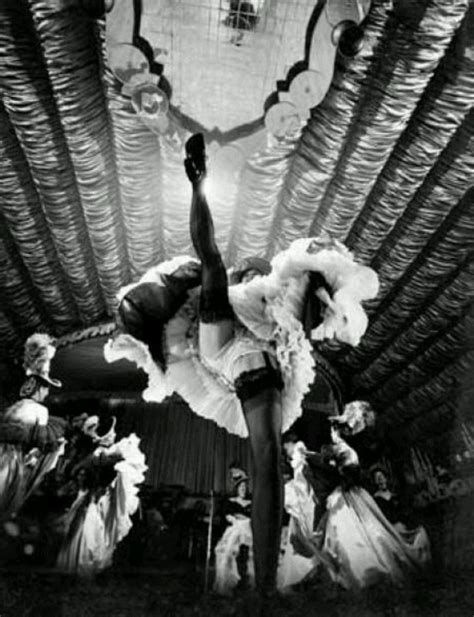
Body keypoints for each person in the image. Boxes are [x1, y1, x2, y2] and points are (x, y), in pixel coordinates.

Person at [105, 132, 379, 598]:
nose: (251, 272)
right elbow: (215, 261)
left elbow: (305, 308)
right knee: (210, 263)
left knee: (269, 461)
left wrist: (321, 289)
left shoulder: (277, 304)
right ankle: (198, 180)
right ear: (242, 277)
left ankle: (266, 586)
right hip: (224, 342)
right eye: (246, 271)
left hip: (263, 367)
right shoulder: (232, 291)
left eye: (256, 269)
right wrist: (200, 189)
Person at [316, 422, 431, 590]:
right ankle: (354, 570)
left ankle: (370, 571)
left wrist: (341, 471)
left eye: (337, 432)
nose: (335, 434)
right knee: (343, 533)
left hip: (352, 493)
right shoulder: (336, 451)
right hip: (344, 494)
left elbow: (351, 469)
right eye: (334, 431)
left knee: (371, 532)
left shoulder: (346, 451)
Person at [56, 422, 147, 577]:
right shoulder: (100, 456)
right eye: (110, 433)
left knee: (92, 532)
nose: (113, 435)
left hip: (98, 499)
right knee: (89, 533)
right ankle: (81, 570)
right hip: (93, 500)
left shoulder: (106, 455)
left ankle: (82, 570)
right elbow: (81, 474)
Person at [0, 334, 66, 518]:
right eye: (46, 388)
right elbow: (40, 444)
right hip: (11, 459)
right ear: (40, 388)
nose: (46, 392)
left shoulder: (15, 405)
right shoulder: (40, 410)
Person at [214, 472, 253, 594]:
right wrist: (237, 519)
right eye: (241, 487)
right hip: (235, 528)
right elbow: (228, 516)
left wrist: (245, 519)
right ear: (236, 488)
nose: (243, 489)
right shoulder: (230, 501)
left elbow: (254, 517)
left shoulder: (251, 503)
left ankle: (251, 582)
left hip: (249, 530)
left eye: (245, 487)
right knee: (225, 550)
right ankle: (226, 583)